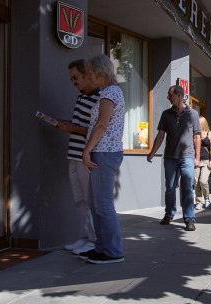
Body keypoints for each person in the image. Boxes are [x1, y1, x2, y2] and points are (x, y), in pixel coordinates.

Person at [80, 54, 127, 264]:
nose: (88, 78)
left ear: (100, 72)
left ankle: (113, 251)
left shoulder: (110, 92)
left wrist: (86, 150)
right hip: (104, 152)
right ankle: (102, 247)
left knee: (103, 204)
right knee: (95, 203)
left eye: (90, 73)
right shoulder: (108, 92)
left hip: (104, 153)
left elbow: (101, 124)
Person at [55, 59, 99, 255]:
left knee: (89, 200)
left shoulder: (98, 99)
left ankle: (94, 240)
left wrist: (72, 128)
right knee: (79, 200)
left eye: (75, 77)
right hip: (73, 154)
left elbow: (96, 130)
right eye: (71, 78)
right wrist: (68, 126)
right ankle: (85, 237)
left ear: (87, 75)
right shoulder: (81, 98)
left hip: (85, 156)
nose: (73, 81)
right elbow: (81, 126)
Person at [147, 85, 200, 231]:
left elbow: (197, 136)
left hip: (187, 156)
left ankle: (189, 219)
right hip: (170, 156)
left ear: (179, 95)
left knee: (187, 187)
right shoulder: (166, 114)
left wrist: (197, 157)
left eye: (170, 95)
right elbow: (160, 135)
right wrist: (152, 152)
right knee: (170, 187)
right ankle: (169, 213)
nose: (167, 97)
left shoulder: (193, 114)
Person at [194, 116, 211, 210]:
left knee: (203, 181)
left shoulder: (209, 134)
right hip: (196, 161)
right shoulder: (194, 133)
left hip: (206, 161)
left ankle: (207, 198)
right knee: (196, 182)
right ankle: (198, 202)